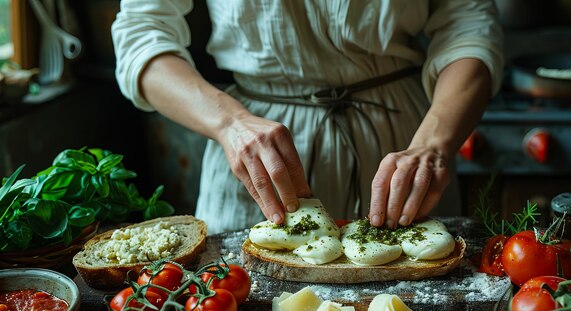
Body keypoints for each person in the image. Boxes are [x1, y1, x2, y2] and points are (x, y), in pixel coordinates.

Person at [112, 0, 504, 235]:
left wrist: (432, 144)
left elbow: (467, 24)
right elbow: (141, 33)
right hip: (253, 152)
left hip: (403, 146)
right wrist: (231, 124)